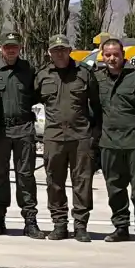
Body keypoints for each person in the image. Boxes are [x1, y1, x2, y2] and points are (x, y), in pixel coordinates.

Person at [35, 34, 102, 243]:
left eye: (63, 49)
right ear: (50, 53)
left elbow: (97, 104)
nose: (60, 53)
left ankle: (81, 225)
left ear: (70, 50)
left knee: (82, 181)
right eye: (56, 50)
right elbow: (28, 99)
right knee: (54, 181)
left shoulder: (84, 73)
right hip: (53, 137)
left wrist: (95, 134)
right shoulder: (43, 75)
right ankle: (59, 224)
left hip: (80, 137)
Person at [94, 37, 135, 247]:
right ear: (102, 56)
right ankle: (121, 227)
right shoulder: (96, 78)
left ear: (123, 56)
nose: (112, 58)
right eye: (108, 55)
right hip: (109, 143)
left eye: (116, 54)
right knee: (115, 189)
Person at [0, 32, 46, 239]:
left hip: (24, 129)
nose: (11, 50)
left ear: (20, 48)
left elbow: (39, 94)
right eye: (7, 46)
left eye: (14, 46)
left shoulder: (29, 70)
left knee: (26, 177)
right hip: (0, 131)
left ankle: (30, 221)